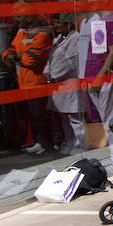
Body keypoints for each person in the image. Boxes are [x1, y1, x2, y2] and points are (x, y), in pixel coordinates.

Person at [78, 0, 113, 146]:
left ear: (105, 0)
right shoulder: (100, 21)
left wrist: (99, 77)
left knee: (110, 118)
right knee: (103, 117)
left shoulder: (109, 21)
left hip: (104, 78)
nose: (90, 1)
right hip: (95, 77)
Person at [3, 13, 54, 154]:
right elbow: (7, 54)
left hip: (37, 82)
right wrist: (20, 56)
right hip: (24, 82)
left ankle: (46, 143)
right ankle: (40, 142)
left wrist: (17, 57)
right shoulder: (22, 34)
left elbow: (31, 60)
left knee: (40, 116)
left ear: (30, 17)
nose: (15, 19)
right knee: (33, 116)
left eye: (19, 16)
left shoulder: (42, 35)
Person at [45, 13, 84, 154]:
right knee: (63, 116)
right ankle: (69, 142)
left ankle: (79, 144)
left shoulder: (76, 38)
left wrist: (54, 75)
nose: (55, 26)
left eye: (58, 22)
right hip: (58, 83)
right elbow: (52, 57)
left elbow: (71, 62)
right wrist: (47, 71)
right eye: (54, 23)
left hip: (69, 82)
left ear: (68, 23)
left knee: (74, 117)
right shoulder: (59, 39)